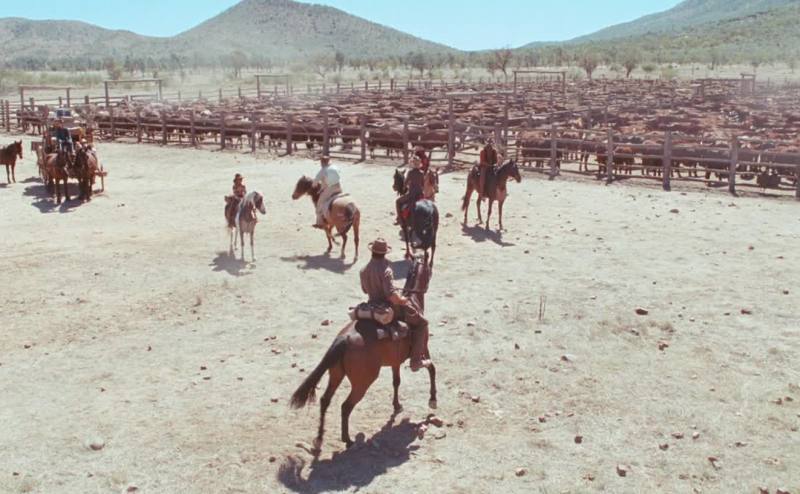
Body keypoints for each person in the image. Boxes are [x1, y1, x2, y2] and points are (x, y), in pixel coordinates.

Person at [359, 238, 431, 372]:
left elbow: (364, 290)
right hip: (389, 308)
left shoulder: (363, 270)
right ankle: (416, 360)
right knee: (422, 323)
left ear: (372, 252)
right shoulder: (386, 270)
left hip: (371, 304)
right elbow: (391, 296)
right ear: (384, 253)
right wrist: (402, 299)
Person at [313, 155, 342, 229]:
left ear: (321, 162)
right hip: (339, 187)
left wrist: (314, 185)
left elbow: (315, 182)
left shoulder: (323, 170)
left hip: (330, 189)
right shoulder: (334, 167)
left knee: (319, 204)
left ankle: (319, 223)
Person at [395, 156, 425, 225]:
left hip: (411, 194)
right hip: (420, 194)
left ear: (413, 164)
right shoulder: (422, 173)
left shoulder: (410, 172)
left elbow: (405, 184)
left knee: (397, 202)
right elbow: (422, 185)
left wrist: (406, 187)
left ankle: (400, 220)